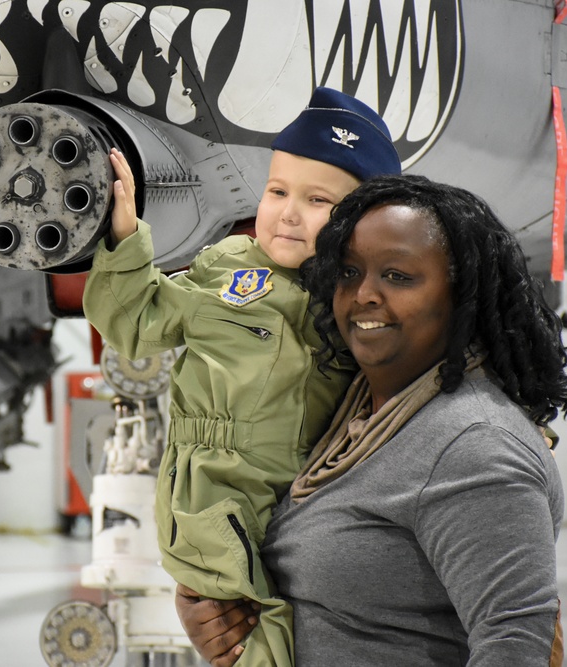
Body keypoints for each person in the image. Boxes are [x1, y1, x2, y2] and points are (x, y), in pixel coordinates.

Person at [175, 174, 567, 666]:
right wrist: (224, 620)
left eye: (397, 276)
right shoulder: (357, 411)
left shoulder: (473, 446)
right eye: (347, 273)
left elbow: (514, 646)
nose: (363, 293)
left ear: (461, 295)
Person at [82, 88, 401, 666]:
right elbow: (138, 321)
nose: (287, 212)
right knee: (260, 643)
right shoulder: (229, 267)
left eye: (318, 200)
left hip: (304, 499)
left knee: (316, 628)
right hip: (216, 499)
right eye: (277, 190)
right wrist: (125, 240)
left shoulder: (358, 299)